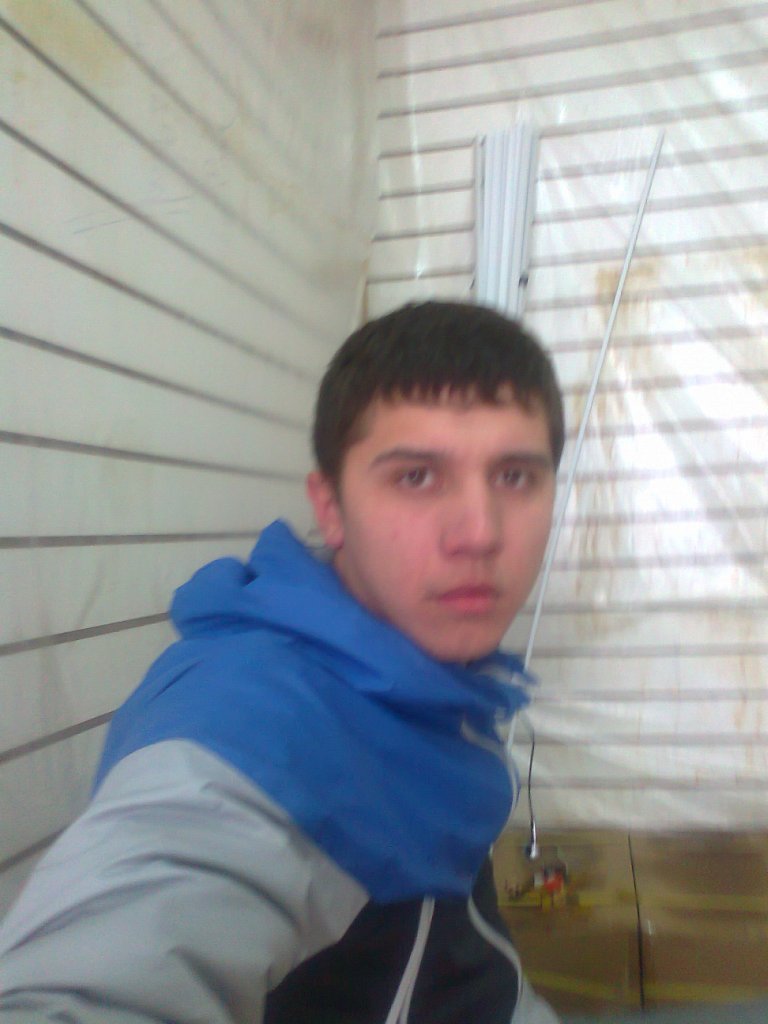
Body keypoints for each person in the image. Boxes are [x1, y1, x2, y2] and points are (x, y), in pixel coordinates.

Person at [0, 300, 564, 1024]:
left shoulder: (421, 673)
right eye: (417, 477)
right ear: (329, 509)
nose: (479, 533)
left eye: (515, 476)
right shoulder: (245, 719)